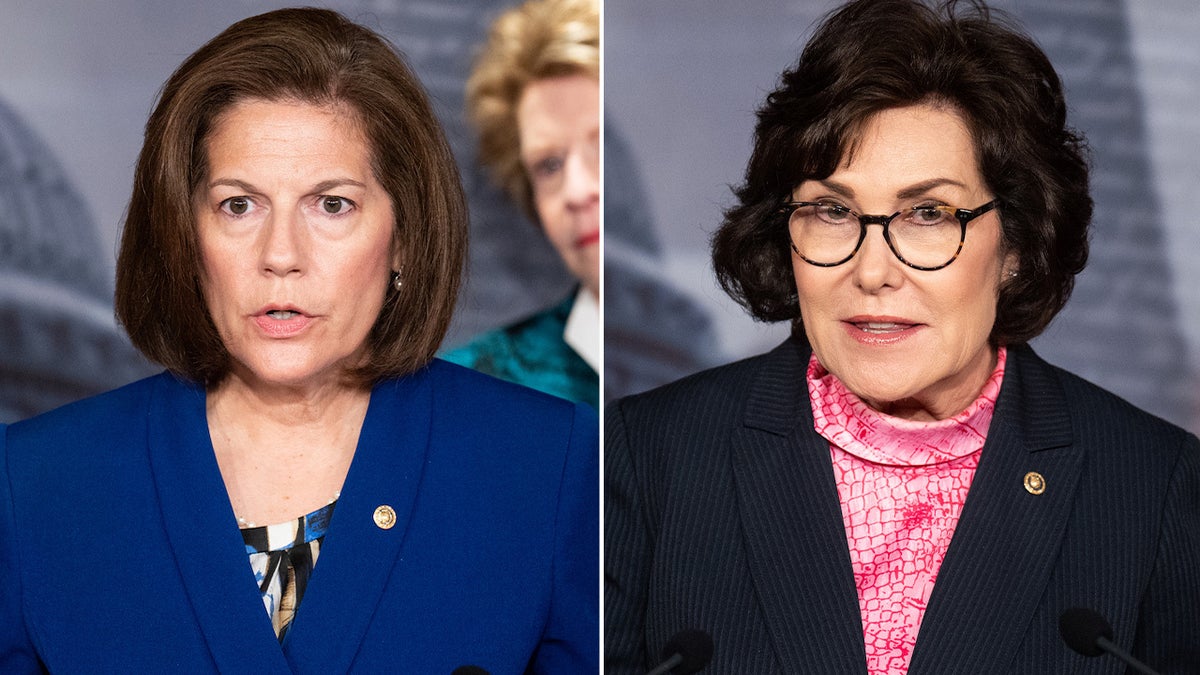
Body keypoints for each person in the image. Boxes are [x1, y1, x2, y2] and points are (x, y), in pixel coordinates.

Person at [605, 1, 1200, 673]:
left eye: (927, 213)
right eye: (833, 210)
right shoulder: (643, 458)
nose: (872, 269)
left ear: (1017, 242)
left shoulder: (1155, 486)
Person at [0, 8, 597, 673]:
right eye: (238, 204)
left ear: (404, 237)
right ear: (184, 237)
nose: (280, 254)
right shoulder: (30, 487)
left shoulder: (556, 468)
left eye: (332, 204)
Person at [441, 0, 600, 409]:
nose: (577, 190)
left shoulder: (743, 369)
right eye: (549, 165)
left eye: (601, 146)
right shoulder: (478, 390)